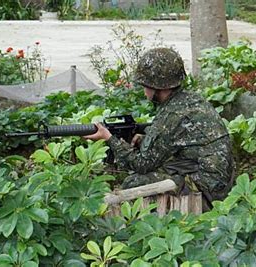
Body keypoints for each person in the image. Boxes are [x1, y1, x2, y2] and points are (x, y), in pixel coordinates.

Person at [84, 47, 235, 208]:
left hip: (207, 192)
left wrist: (109, 138)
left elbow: (142, 164)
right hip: (222, 181)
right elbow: (181, 143)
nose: (144, 91)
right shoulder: (192, 100)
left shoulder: (171, 115)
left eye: (145, 86)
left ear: (157, 87)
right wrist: (143, 141)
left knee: (135, 182)